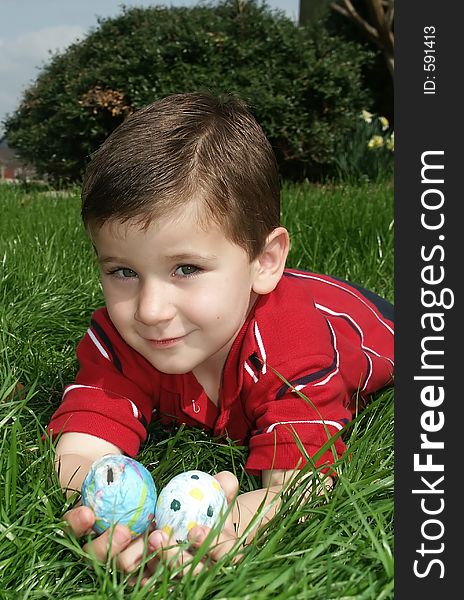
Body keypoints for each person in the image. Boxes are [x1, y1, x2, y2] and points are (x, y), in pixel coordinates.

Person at [48, 91, 394, 577]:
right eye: (123, 271)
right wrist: (121, 524)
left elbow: (298, 485)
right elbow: (82, 448)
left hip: (365, 321)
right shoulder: (119, 340)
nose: (149, 310)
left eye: (186, 268)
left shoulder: (293, 346)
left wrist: (225, 529)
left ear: (265, 261)